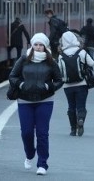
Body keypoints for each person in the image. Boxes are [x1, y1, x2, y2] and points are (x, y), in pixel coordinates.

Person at [8, 33, 63, 176]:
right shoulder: (24, 59)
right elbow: (12, 76)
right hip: (24, 101)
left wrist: (48, 87)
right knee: (26, 132)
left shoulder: (51, 62)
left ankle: (42, 164)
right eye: (36, 45)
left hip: (45, 101)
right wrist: (20, 84)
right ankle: (30, 153)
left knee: (42, 133)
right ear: (32, 45)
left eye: (41, 45)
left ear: (45, 47)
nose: (38, 47)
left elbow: (59, 80)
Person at [58, 30, 94, 137]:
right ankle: (81, 119)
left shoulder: (61, 55)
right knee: (81, 106)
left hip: (67, 86)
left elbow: (59, 69)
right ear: (75, 39)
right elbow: (92, 63)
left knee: (71, 107)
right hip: (81, 84)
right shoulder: (81, 52)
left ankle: (73, 129)